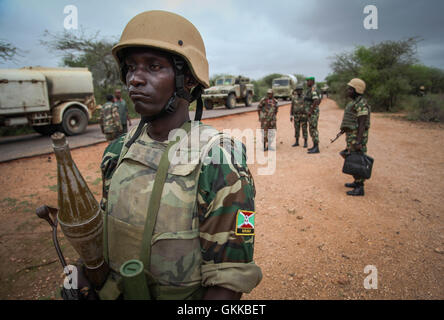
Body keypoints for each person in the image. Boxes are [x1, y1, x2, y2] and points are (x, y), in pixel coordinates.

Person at [95, 10, 261, 300]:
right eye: (131, 67)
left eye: (154, 66)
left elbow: (227, 282)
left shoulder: (218, 159)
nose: (135, 78)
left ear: (189, 82)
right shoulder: (117, 151)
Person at [339, 78, 371, 196]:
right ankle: (356, 181)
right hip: (351, 136)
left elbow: (362, 123)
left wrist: (358, 141)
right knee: (352, 158)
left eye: (350, 89)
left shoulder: (361, 104)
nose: (348, 91)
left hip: (357, 137)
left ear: (356, 90)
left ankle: (360, 187)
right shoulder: (354, 102)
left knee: (358, 160)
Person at [304, 77, 321, 154]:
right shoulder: (312, 89)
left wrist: (311, 111)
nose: (307, 83)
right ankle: (314, 146)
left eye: (308, 81)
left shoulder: (313, 89)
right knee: (311, 128)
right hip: (313, 112)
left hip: (313, 113)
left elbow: (316, 100)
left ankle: (316, 147)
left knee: (313, 129)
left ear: (312, 81)